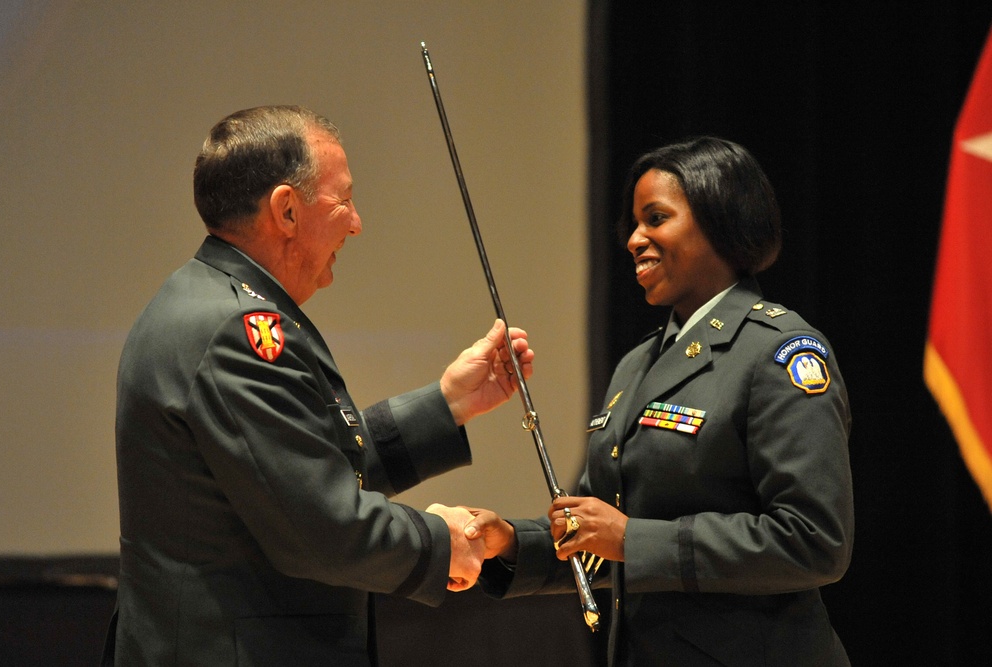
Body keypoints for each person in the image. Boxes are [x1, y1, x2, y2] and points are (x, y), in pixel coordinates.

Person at [101, 105, 532, 666]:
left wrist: (447, 405)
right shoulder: (239, 331)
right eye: (344, 199)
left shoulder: (207, 300)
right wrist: (442, 540)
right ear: (286, 210)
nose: (356, 223)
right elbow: (322, 529)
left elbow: (296, 470)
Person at [467, 137, 854, 666]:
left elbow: (814, 541)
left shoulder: (779, 352)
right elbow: (599, 536)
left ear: (720, 221)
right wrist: (509, 543)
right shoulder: (638, 364)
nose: (633, 239)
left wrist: (633, 540)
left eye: (655, 218)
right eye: (633, 223)